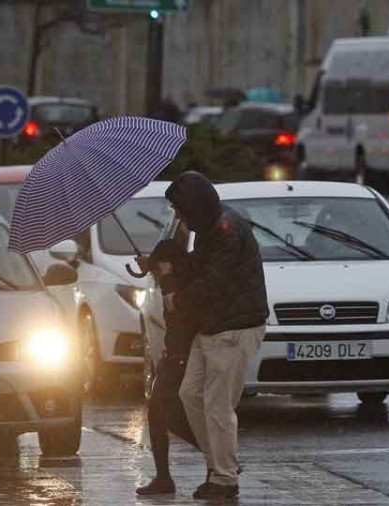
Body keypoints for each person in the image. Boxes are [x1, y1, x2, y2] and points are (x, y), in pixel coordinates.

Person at [139, 171, 268, 500]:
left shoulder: (227, 230)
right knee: (190, 395)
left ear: (196, 207)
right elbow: (197, 263)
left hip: (235, 328)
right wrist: (156, 263)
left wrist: (175, 298)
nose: (180, 218)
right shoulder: (210, 229)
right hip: (212, 328)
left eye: (182, 211)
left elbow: (213, 280)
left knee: (217, 406)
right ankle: (220, 466)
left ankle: (224, 479)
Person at [136, 239, 201, 496]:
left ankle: (219, 457)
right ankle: (165, 476)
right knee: (160, 414)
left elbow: (174, 306)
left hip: (182, 357)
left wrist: (164, 275)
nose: (156, 274)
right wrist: (152, 265)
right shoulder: (177, 277)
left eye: (159, 267)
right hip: (174, 354)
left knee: (168, 415)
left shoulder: (176, 283)